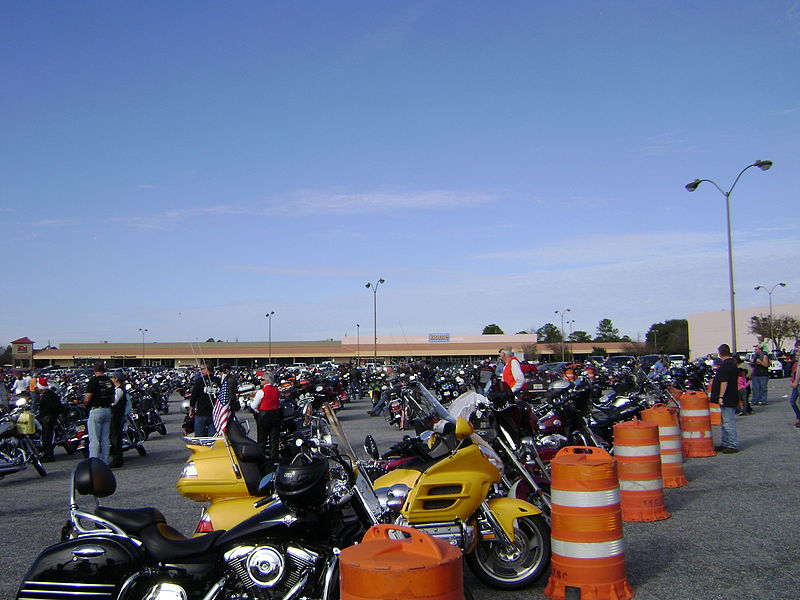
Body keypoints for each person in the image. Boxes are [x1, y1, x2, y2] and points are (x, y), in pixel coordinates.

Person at [709, 344, 740, 453]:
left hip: (727, 397)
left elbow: (724, 382)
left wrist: (720, 396)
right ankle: (725, 443)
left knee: (728, 422)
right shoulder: (732, 363)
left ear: (720, 353)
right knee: (725, 422)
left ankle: (732, 444)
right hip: (732, 395)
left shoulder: (726, 365)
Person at [84, 362, 114, 464]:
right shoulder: (109, 381)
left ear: (94, 370)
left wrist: (84, 404)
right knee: (105, 438)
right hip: (107, 410)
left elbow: (88, 398)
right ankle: (105, 461)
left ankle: (95, 463)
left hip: (96, 410)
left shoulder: (93, 381)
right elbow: (112, 398)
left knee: (94, 439)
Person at [249, 372, 281, 458]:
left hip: (264, 416)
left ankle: (261, 458)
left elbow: (253, 405)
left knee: (262, 440)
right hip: (275, 415)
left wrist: (258, 411)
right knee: (274, 440)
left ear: (267, 381)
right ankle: (274, 458)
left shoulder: (261, 392)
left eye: (262, 379)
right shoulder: (277, 390)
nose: (260, 381)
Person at [190, 363, 219, 437]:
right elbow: (194, 397)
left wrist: (191, 409)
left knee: (200, 438)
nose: (201, 371)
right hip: (211, 413)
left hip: (207, 415)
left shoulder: (200, 381)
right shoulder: (219, 380)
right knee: (212, 438)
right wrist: (192, 408)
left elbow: (194, 397)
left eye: (202, 369)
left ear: (207, 369)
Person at [36, 377, 61, 462]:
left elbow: (51, 407)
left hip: (47, 418)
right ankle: (48, 454)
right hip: (51, 417)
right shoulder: (52, 394)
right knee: (47, 436)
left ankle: (48, 455)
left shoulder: (46, 397)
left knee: (46, 437)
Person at [109, 372, 128, 468]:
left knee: (115, 438)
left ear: (116, 379)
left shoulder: (119, 390)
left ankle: (117, 459)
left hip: (116, 416)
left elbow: (114, 402)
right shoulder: (117, 389)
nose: (111, 379)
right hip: (115, 416)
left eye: (112, 377)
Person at [789, 340, 800, 428]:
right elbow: (794, 372)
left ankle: (798, 419)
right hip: (796, 383)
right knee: (792, 401)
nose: (797, 350)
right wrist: (792, 381)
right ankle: (798, 417)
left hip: (798, 383)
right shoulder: (796, 362)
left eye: (798, 347)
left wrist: (796, 382)